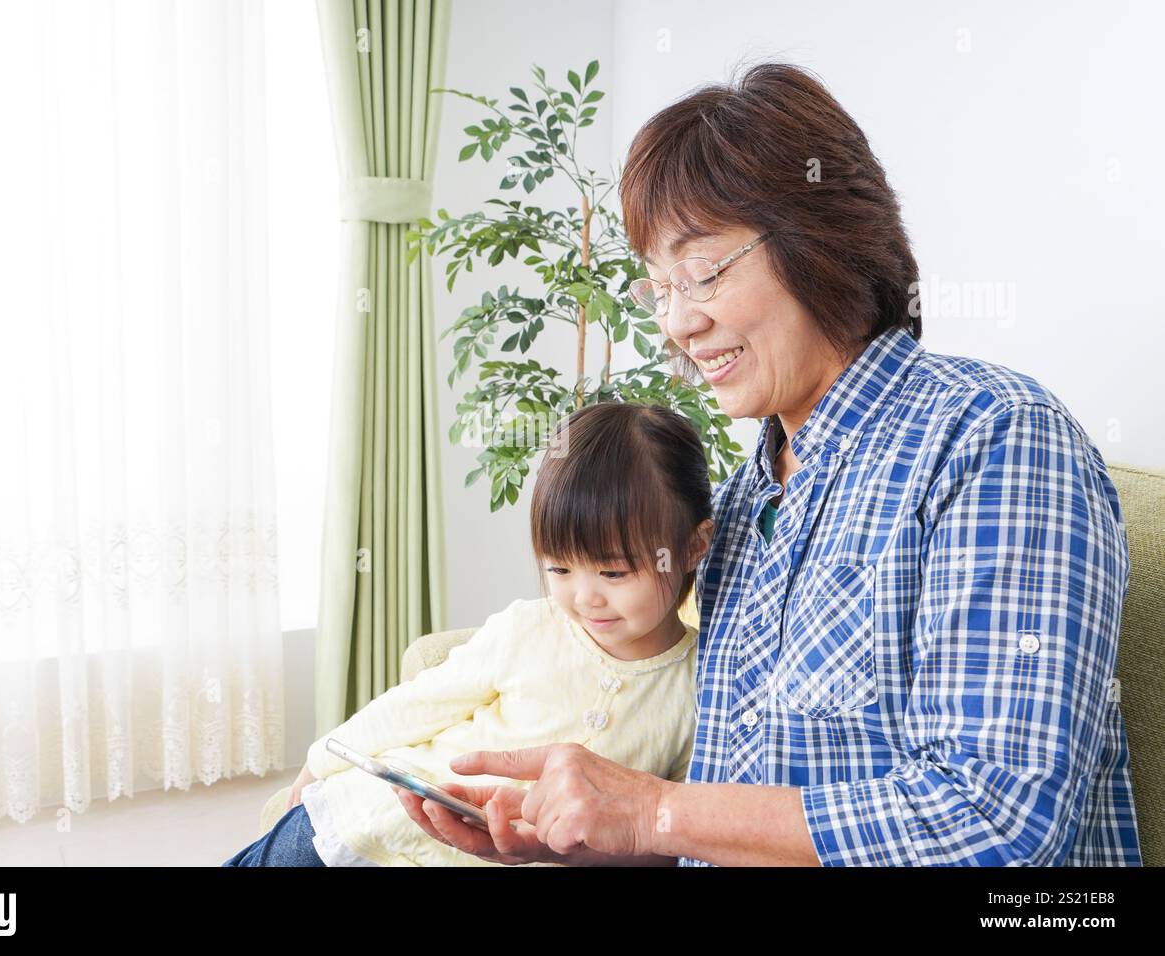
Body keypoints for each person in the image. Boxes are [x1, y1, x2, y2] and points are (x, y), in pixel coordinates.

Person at [396, 62, 1141, 867]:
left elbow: (998, 825)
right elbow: (729, 823)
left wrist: (653, 813)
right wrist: (583, 837)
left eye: (704, 271)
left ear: (822, 238)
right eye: (658, 291)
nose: (679, 322)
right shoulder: (748, 498)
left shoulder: (994, 440)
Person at [222, 401, 714, 866]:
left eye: (613, 574)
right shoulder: (530, 628)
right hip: (370, 822)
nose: (586, 598)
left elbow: (674, 831)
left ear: (693, 547)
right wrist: (320, 761)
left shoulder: (703, 686)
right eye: (560, 569)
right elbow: (417, 704)